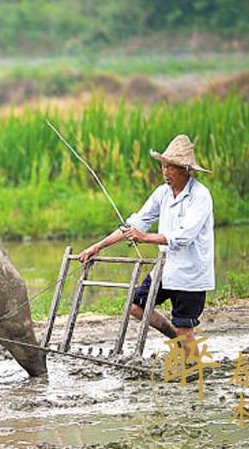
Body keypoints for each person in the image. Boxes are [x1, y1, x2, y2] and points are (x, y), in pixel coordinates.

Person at [77, 134, 214, 357]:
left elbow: (183, 237)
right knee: (135, 306)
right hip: (165, 269)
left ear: (186, 169)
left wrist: (145, 237)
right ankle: (177, 339)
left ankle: (195, 373)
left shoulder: (200, 196)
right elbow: (135, 222)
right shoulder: (162, 193)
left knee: (184, 327)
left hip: (191, 273)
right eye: (163, 166)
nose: (165, 172)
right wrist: (98, 246)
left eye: (171, 167)